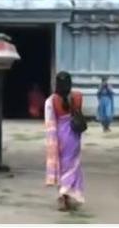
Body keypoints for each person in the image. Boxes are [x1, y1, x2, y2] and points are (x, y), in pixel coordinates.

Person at [45, 71, 84, 211]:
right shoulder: (78, 96)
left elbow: (51, 121)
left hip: (60, 135)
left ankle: (63, 194)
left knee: (62, 166)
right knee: (73, 166)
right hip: (73, 135)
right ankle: (66, 193)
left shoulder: (52, 101)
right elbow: (78, 113)